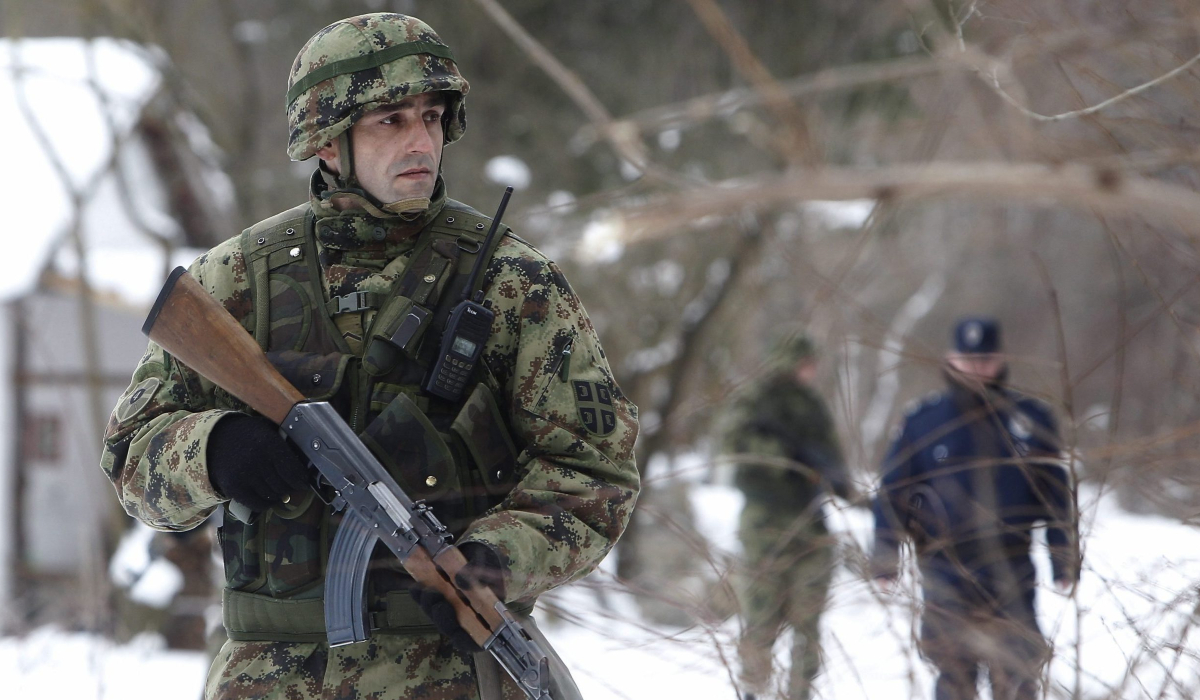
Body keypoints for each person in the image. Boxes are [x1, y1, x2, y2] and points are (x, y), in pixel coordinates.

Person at [99, 13, 640, 700]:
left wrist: (497, 559)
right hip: (267, 679)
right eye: (390, 121)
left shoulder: (513, 281)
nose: (420, 141)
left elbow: (594, 472)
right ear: (327, 141)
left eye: (431, 117)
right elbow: (130, 457)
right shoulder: (236, 279)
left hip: (451, 674)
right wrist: (212, 449)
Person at [871, 317, 1079, 700]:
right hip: (945, 568)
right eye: (968, 361)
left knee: (1016, 675)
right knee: (954, 676)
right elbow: (892, 492)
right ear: (951, 360)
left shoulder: (1030, 420)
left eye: (985, 360)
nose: (977, 369)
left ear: (1000, 359)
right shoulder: (923, 421)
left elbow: (1055, 495)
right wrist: (886, 557)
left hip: (1011, 567)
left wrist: (1062, 558)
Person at [719, 335, 856, 700]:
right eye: (804, 362)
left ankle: (799, 693)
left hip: (810, 522)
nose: (810, 370)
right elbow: (731, 443)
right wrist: (784, 457)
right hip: (765, 522)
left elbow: (831, 456)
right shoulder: (754, 399)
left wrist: (836, 478)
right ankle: (752, 691)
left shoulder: (812, 405)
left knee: (808, 622)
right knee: (761, 619)